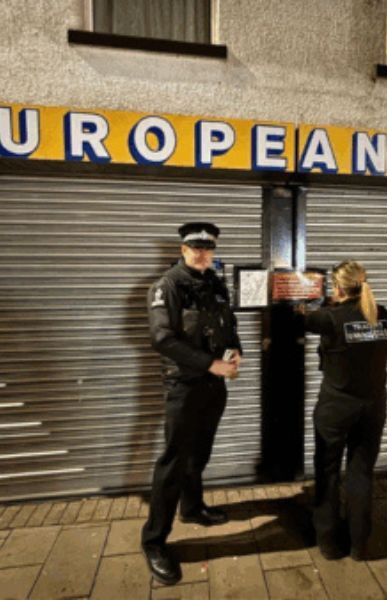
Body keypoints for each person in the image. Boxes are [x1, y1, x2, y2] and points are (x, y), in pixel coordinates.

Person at [141, 222, 242, 585]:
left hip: (214, 385)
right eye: (194, 247)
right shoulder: (167, 285)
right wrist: (210, 363)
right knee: (172, 462)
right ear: (183, 249)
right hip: (184, 385)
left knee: (199, 453)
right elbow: (161, 339)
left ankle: (193, 507)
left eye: (207, 248)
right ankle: (154, 541)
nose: (201, 253)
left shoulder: (214, 282)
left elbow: (227, 324)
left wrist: (236, 352)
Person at [302, 260, 387, 561]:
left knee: (328, 472)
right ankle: (359, 545)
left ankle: (328, 543)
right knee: (361, 473)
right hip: (374, 405)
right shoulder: (384, 315)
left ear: (338, 286)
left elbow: (297, 315)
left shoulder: (329, 318)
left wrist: (312, 303)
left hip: (336, 407)